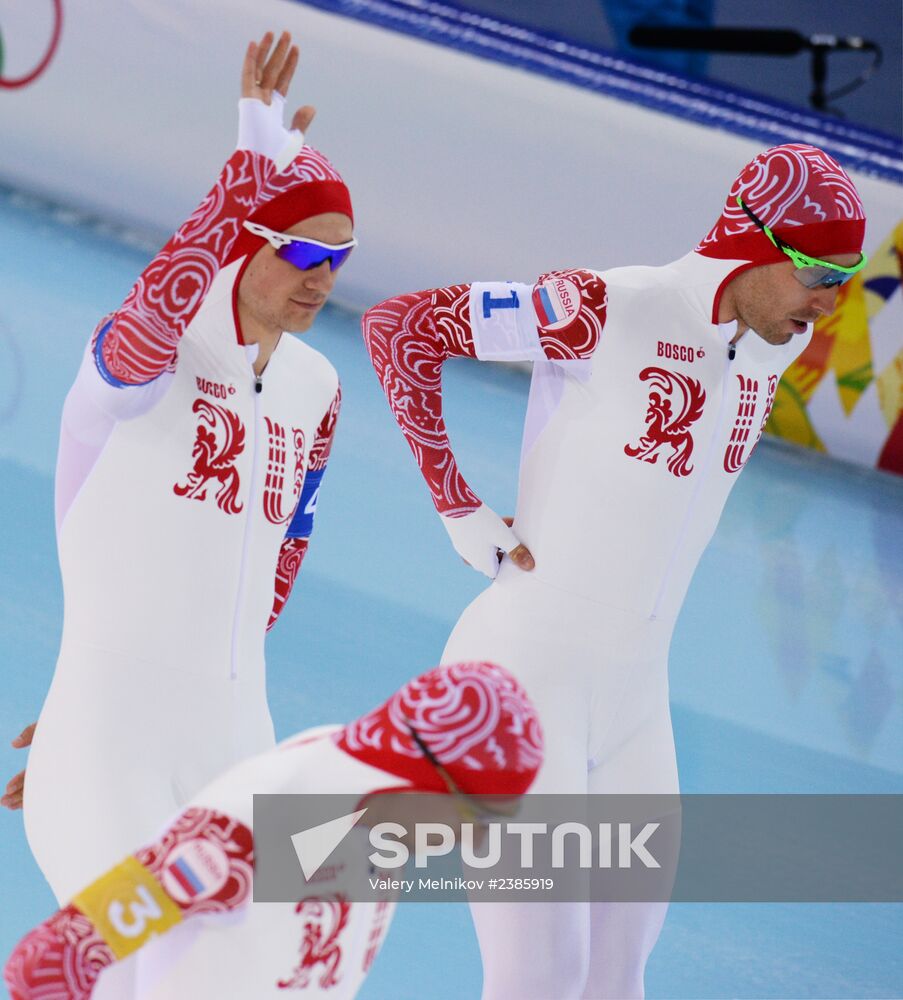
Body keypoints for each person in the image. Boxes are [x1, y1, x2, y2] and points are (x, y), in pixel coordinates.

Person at [361, 143, 867, 998]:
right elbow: (399, 327)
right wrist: (455, 503)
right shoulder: (602, 307)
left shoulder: (770, 345)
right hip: (519, 687)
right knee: (536, 984)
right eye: (818, 270)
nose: (831, 299)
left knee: (614, 981)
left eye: (846, 275)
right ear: (752, 241)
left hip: (634, 702)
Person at [3, 33, 353, 913]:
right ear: (241, 243)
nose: (323, 280)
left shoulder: (317, 387)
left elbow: (281, 557)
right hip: (104, 751)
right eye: (304, 255)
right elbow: (152, 312)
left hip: (237, 746)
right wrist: (239, 177)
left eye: (340, 258)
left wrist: (192, 670)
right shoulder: (138, 361)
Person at [4, 660, 544, 1000]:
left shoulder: (372, 806)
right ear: (426, 781)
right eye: (483, 817)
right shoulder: (248, 836)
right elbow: (51, 959)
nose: (477, 841)